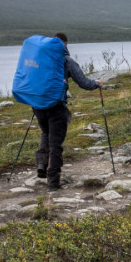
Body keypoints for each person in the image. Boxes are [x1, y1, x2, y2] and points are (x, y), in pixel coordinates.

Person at [35, 32, 102, 191]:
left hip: (38, 104)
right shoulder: (66, 61)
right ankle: (53, 182)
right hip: (56, 106)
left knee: (46, 133)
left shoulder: (41, 59)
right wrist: (97, 84)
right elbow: (84, 82)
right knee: (56, 143)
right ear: (65, 44)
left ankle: (41, 163)